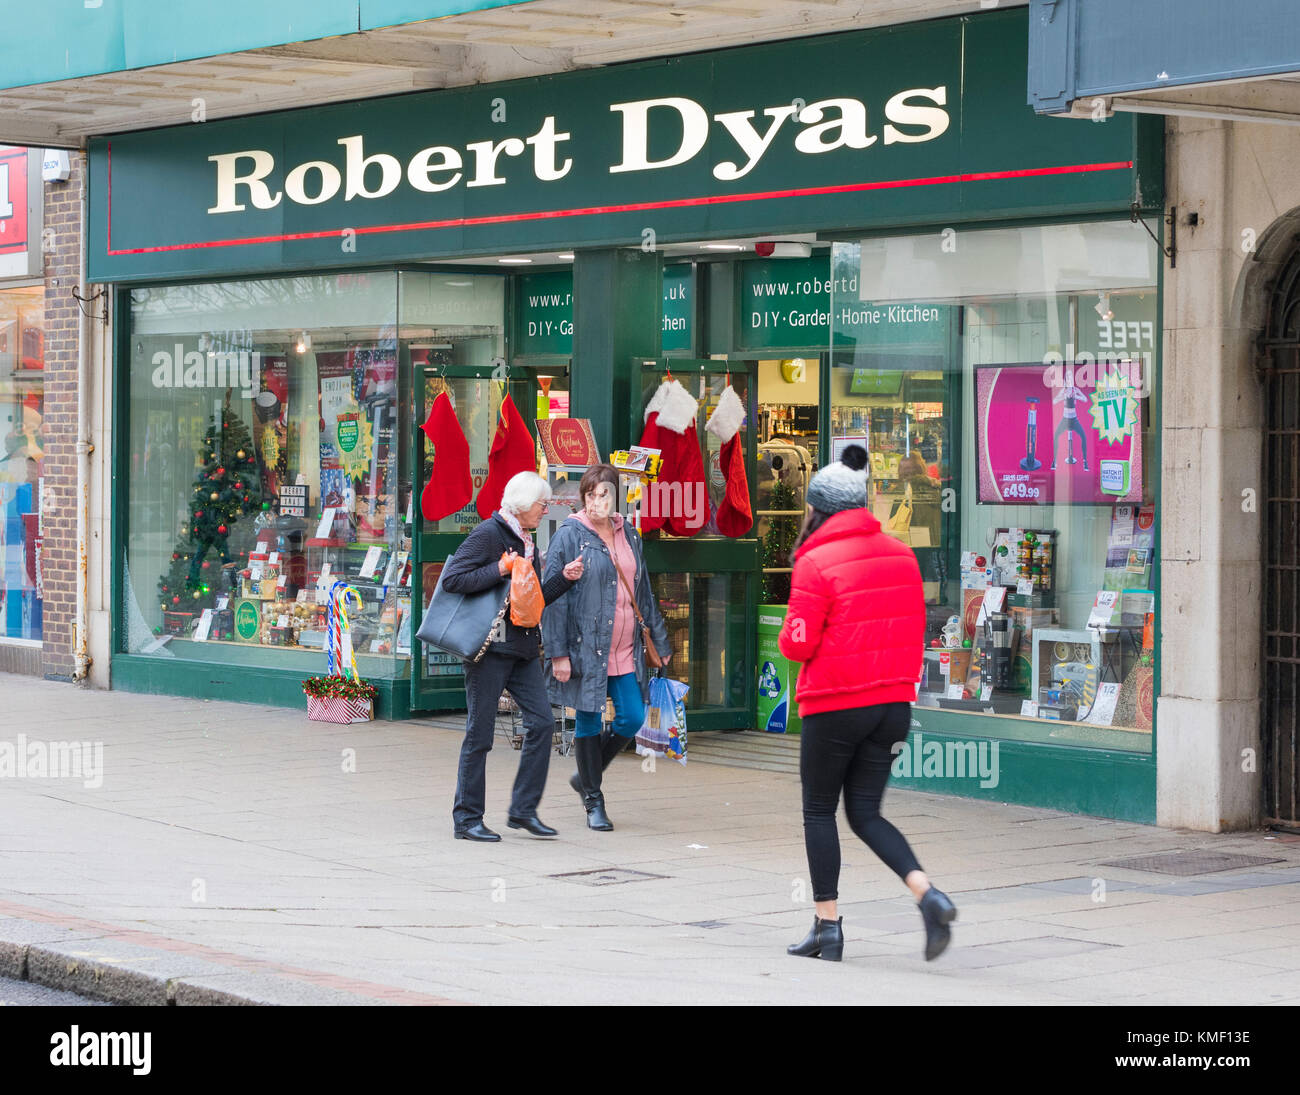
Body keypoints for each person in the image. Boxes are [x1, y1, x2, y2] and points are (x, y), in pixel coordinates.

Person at [778, 444, 957, 962]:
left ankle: (827, 926)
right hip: (893, 705)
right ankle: (929, 895)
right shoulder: (902, 554)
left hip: (835, 703)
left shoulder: (815, 561)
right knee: (865, 812)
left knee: (818, 810)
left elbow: (797, 643)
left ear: (818, 509)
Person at [440, 471, 584, 842]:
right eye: (541, 504)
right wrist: (499, 568)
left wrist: (564, 579)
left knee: (542, 724)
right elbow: (454, 579)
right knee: (480, 734)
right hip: (489, 649)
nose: (546, 509)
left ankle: (522, 810)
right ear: (521, 505)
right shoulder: (490, 534)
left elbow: (530, 602)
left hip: (521, 649)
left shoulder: (526, 540)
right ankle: (467, 819)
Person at [542, 464, 671, 831]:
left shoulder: (628, 533)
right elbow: (551, 597)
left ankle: (586, 773)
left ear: (616, 497)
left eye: (604, 494)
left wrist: (659, 642)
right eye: (590, 495)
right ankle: (593, 801)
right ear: (582, 498)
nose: (597, 501)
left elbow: (642, 593)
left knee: (631, 716)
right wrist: (558, 654)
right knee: (588, 717)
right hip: (586, 647)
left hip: (625, 648)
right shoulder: (569, 535)